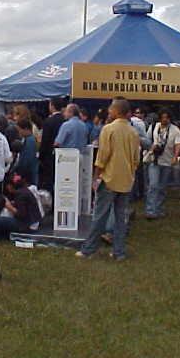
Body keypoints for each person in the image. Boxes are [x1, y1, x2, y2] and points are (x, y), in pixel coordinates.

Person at [76, 99, 140, 261]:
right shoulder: (133, 132)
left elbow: (103, 156)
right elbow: (135, 159)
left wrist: (96, 176)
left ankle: (88, 250)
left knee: (99, 216)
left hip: (109, 179)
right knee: (120, 218)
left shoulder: (108, 129)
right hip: (126, 180)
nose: (108, 112)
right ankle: (119, 252)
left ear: (117, 111)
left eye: (111, 109)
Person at [144, 108, 180, 219]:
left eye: (166, 118)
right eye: (162, 118)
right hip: (154, 159)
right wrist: (152, 148)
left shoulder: (175, 130)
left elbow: (178, 144)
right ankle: (150, 211)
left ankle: (159, 209)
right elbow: (147, 140)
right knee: (153, 185)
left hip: (167, 161)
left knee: (162, 187)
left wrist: (175, 157)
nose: (164, 120)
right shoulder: (153, 127)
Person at [0, 174, 42, 239]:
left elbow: (21, 214)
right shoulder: (24, 190)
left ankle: (3, 236)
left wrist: (9, 206)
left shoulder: (20, 194)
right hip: (32, 223)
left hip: (27, 226)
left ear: (10, 185)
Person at [39, 97, 65, 192]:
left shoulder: (48, 122)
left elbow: (44, 141)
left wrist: (41, 156)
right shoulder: (65, 121)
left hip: (49, 156)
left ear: (52, 106)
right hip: (63, 156)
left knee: (49, 181)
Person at [14, 118, 39, 186]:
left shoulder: (30, 141)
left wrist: (20, 171)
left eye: (19, 130)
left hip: (29, 175)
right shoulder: (28, 140)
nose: (19, 133)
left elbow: (27, 159)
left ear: (25, 129)